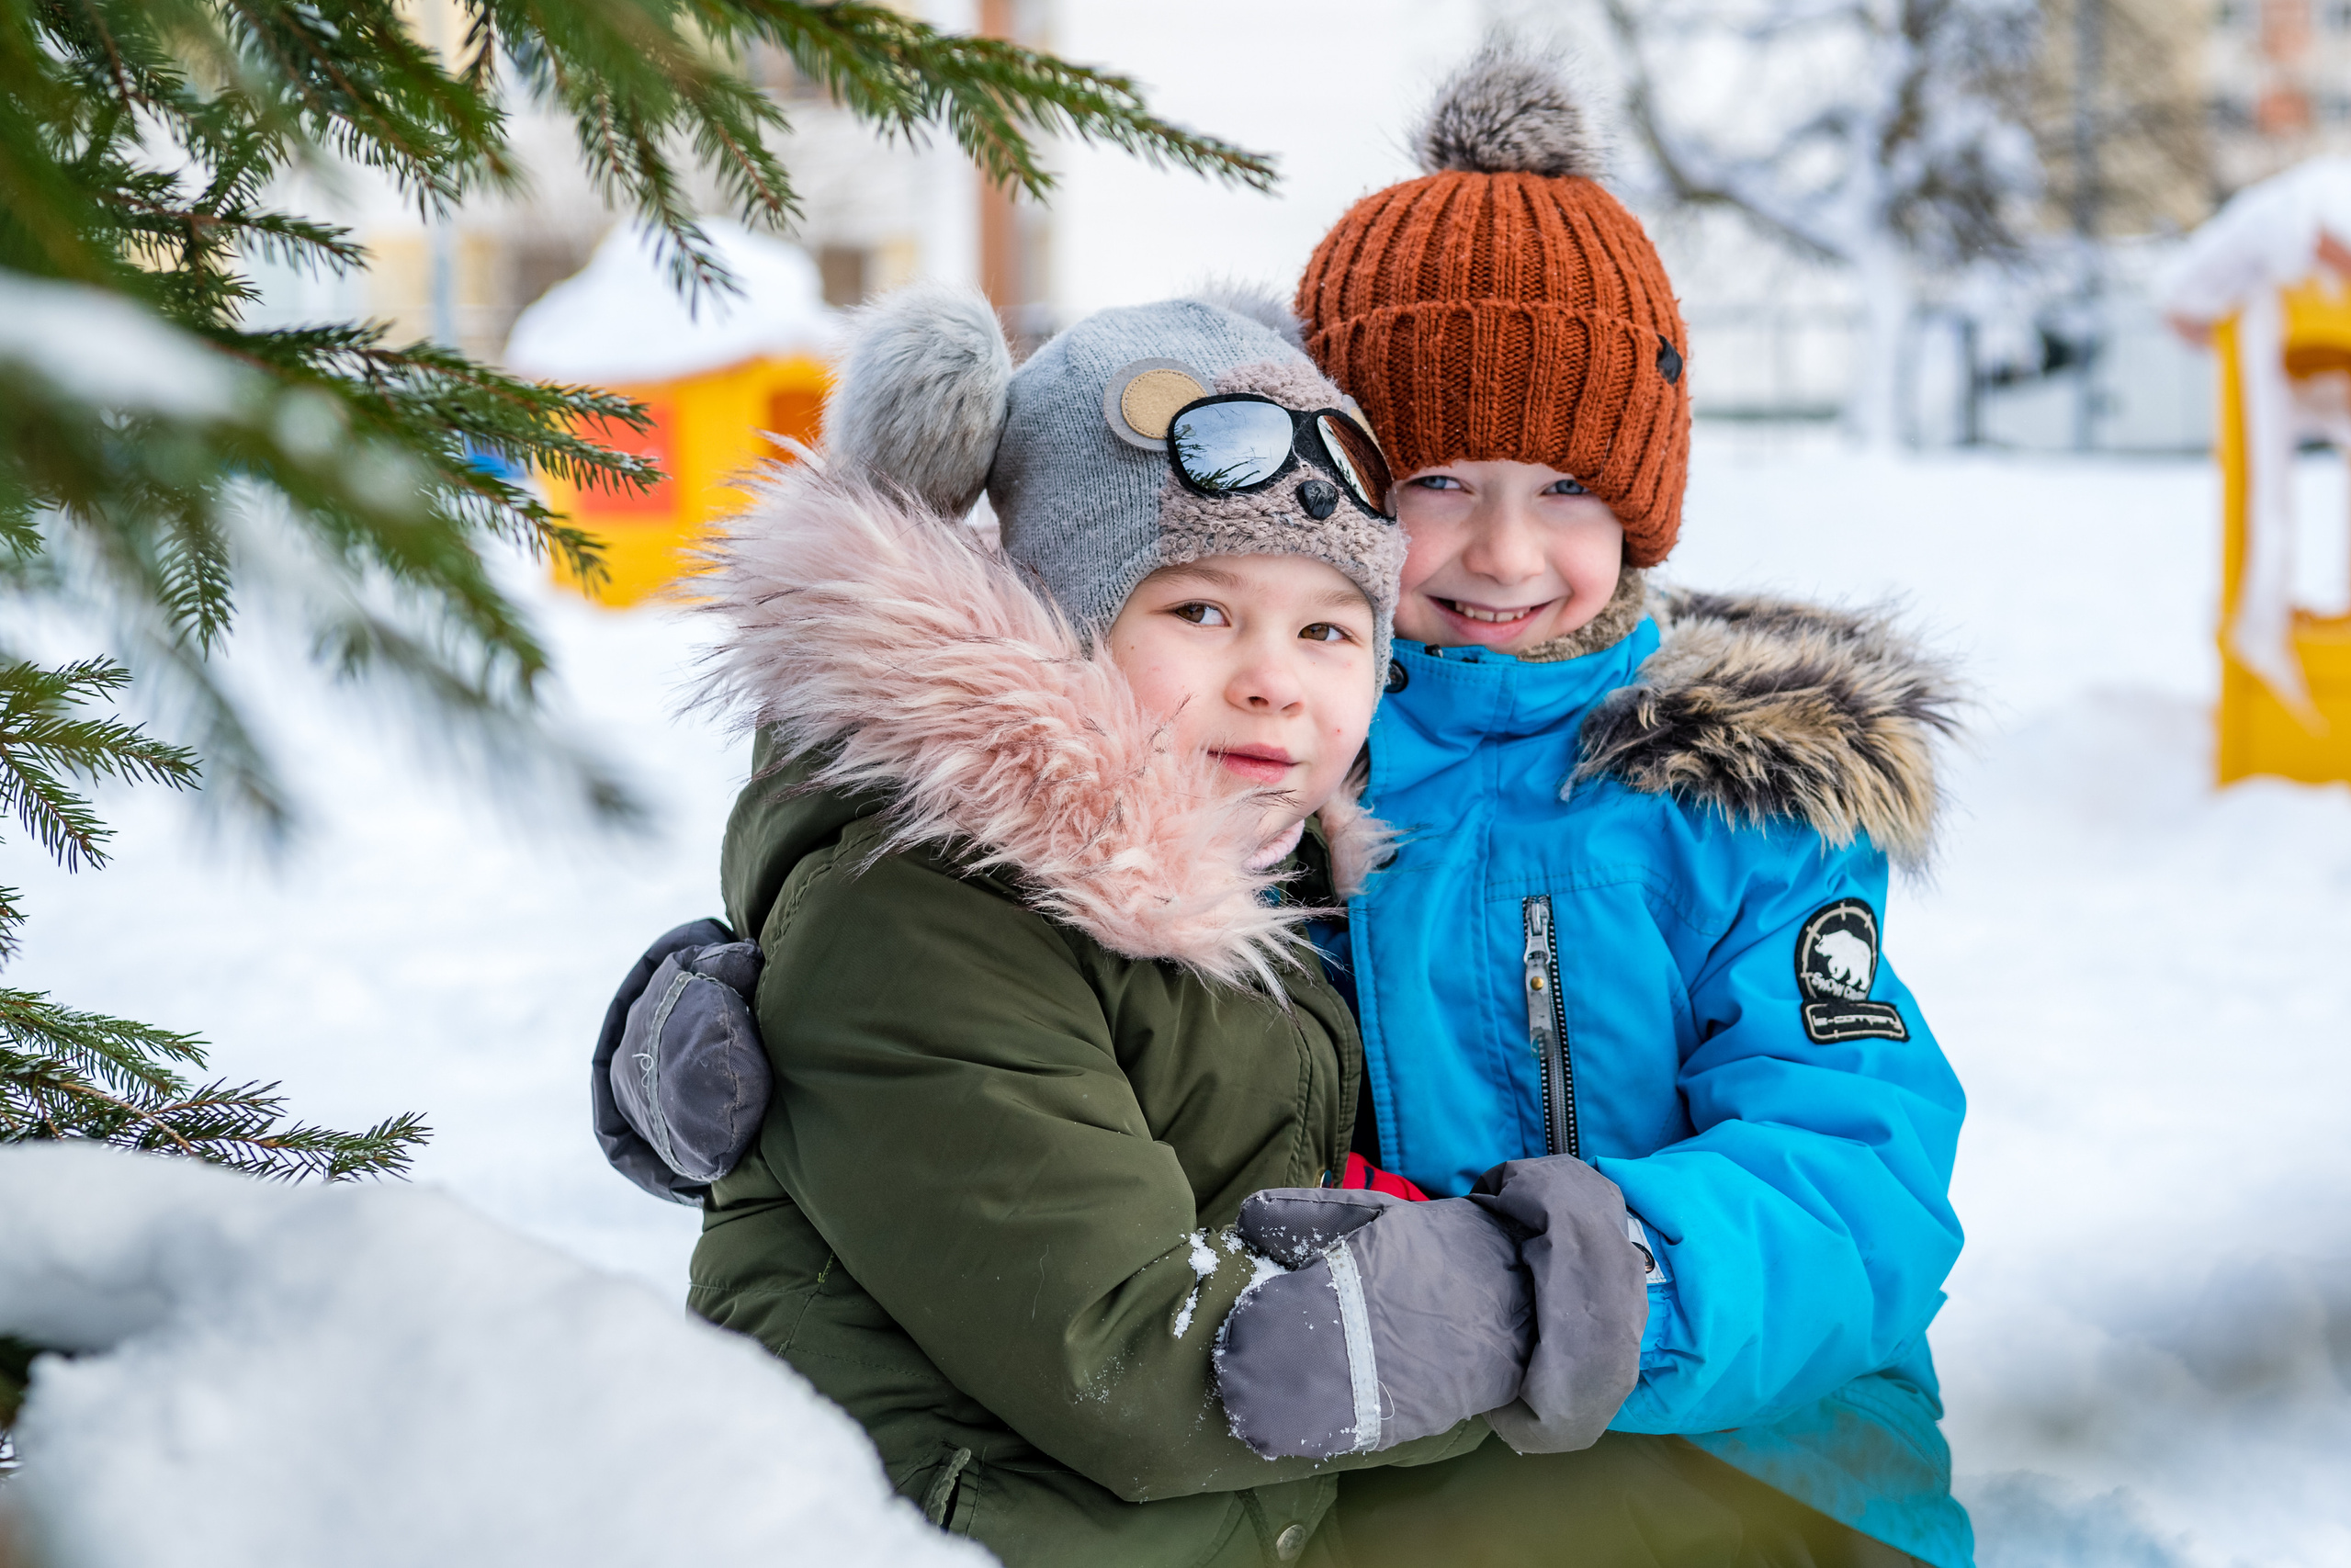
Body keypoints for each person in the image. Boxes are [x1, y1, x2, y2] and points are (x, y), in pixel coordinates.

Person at [599, 290, 1656, 1568]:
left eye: (1328, 629)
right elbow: (1149, 1364)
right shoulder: (930, 908)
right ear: (1065, 616)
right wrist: (1519, 1303)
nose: (1273, 676)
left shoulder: (1274, 874)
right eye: (1202, 611)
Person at [1218, 39, 1973, 1568]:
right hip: (1366, 1461)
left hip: (1755, 1466)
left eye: (1566, 488)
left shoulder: (1745, 800)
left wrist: (1557, 1287)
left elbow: (1854, 1166)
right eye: (1440, 481)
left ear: (1639, 510)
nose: (1503, 553)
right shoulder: (1268, 758)